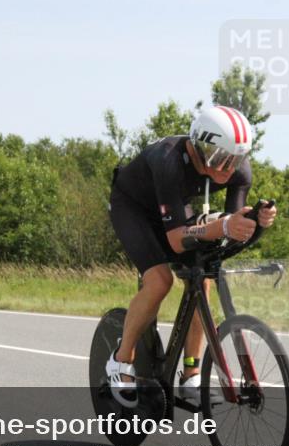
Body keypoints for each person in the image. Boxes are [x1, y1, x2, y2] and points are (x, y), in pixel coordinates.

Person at [106, 105, 277, 408]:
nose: (227, 168)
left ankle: (191, 373)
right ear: (200, 146)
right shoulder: (169, 160)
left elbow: (231, 220)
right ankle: (121, 360)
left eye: (235, 159)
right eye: (220, 157)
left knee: (205, 279)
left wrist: (253, 221)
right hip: (133, 209)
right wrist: (223, 224)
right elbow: (175, 240)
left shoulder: (238, 170)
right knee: (159, 281)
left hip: (173, 213)